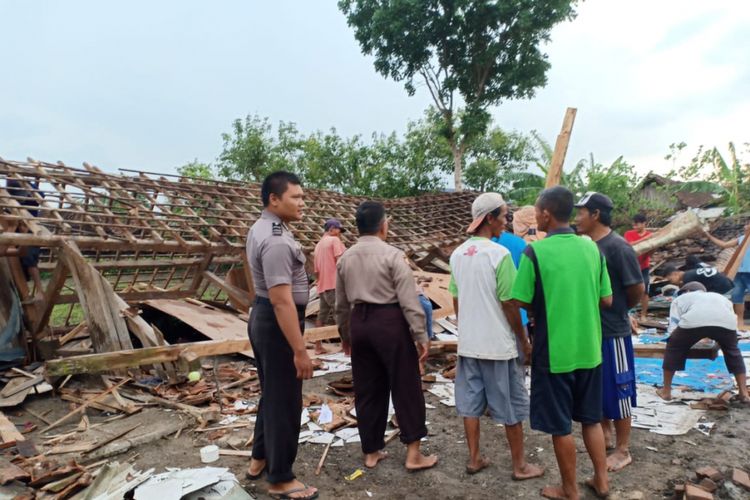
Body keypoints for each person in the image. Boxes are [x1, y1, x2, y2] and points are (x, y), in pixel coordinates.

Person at [511, 186, 613, 500]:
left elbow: (519, 299)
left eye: (537, 211)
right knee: (591, 420)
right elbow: (606, 299)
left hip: (554, 352)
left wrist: (549, 304)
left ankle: (569, 490)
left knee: (561, 426)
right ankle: (602, 481)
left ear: (545, 214)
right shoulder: (592, 248)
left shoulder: (535, 252)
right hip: (589, 349)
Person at [336, 201, 437, 472]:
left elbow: (341, 304)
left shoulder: (346, 257)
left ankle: (371, 451)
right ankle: (413, 454)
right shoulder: (393, 255)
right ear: (383, 225)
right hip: (389, 322)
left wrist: (345, 334)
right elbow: (409, 301)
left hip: (360, 323)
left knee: (367, 389)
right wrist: (421, 335)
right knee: (406, 386)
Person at [449, 193, 544, 480]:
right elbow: (509, 303)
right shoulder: (499, 254)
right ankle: (519, 466)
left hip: (469, 344)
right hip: (498, 345)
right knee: (510, 406)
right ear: (489, 218)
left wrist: (466, 328)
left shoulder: (457, 254)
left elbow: (456, 300)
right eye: (503, 216)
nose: (506, 221)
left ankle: (475, 458)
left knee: (470, 404)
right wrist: (523, 340)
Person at [245, 171, 318, 500]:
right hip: (277, 322)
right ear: (274, 199)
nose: (303, 202)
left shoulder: (264, 228)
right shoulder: (275, 239)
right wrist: (299, 350)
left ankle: (259, 458)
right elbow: (281, 299)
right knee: (286, 399)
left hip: (265, 317)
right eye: (296, 197)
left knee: (272, 393)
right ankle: (281, 478)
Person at [575, 192, 644, 473]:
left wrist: (620, 312)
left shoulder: (618, 247)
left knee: (620, 386)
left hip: (613, 331)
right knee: (598, 386)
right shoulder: (587, 246)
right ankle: (604, 434)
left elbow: (636, 288)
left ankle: (623, 448)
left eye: (581, 212)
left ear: (596, 215)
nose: (576, 218)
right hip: (591, 331)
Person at [657, 281, 749, 404]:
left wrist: (675, 341)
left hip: (693, 322)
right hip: (727, 324)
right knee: (733, 352)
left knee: (673, 348)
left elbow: (673, 326)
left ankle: (666, 391)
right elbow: (728, 318)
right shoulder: (720, 297)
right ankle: (743, 393)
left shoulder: (681, 298)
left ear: (687, 291)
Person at [703, 223, 750, 331]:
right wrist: (708, 236)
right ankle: (739, 323)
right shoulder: (741, 239)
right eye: (746, 225)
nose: (745, 226)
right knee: (737, 296)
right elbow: (724, 245)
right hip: (739, 272)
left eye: (748, 225)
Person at [312, 218, 346, 354]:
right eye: (338, 230)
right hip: (334, 285)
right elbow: (341, 262)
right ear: (331, 229)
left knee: (322, 316)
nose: (340, 233)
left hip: (322, 286)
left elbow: (316, 271)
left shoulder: (318, 245)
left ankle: (318, 347)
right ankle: (346, 346)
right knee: (341, 316)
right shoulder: (334, 241)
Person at [623, 214, 653, 320]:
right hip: (630, 266)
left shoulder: (650, 234)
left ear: (644, 223)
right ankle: (627, 313)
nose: (634, 226)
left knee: (645, 291)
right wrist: (646, 239)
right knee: (627, 289)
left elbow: (651, 250)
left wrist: (650, 243)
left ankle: (643, 315)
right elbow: (629, 245)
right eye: (634, 223)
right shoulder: (629, 233)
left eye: (637, 223)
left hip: (644, 266)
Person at [661, 263, 734, 295]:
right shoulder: (690, 273)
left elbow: (694, 295)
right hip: (728, 283)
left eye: (670, 280)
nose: (672, 283)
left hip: (723, 288)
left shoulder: (687, 278)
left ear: (675, 274)